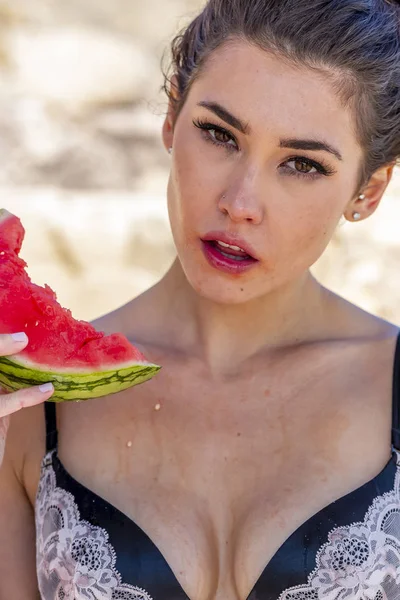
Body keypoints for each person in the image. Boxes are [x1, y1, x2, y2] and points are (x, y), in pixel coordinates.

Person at [1, 0, 400, 598]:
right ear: (170, 117)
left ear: (367, 191)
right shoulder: (30, 401)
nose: (241, 201)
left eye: (302, 164)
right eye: (219, 133)